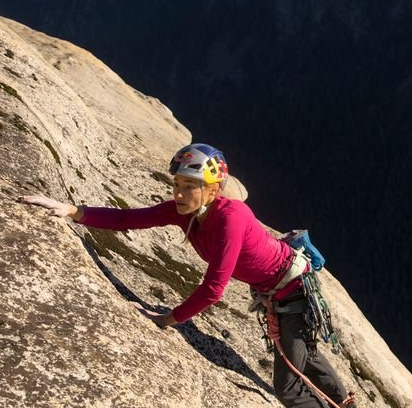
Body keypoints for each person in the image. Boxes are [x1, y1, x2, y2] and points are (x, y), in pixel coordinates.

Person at [21, 142, 354, 408]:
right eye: (177, 184)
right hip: (278, 290)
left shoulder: (230, 217)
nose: (179, 194)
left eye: (190, 187)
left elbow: (214, 289)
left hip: (294, 292)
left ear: (212, 189)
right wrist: (74, 211)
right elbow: (129, 220)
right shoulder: (188, 212)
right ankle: (346, 404)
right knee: (304, 355)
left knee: (288, 388)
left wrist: (169, 319)